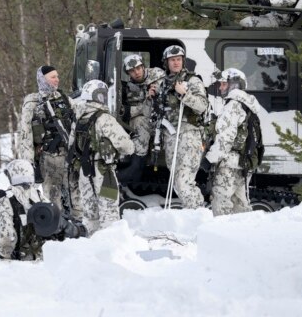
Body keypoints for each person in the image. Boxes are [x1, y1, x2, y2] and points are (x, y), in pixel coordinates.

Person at [18, 65, 82, 220]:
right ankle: (57, 230)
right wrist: (28, 163)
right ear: (43, 79)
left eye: (57, 76)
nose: (57, 80)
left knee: (76, 194)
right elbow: (25, 135)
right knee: (52, 197)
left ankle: (80, 228)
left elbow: (81, 115)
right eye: (53, 77)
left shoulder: (65, 98)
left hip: (70, 157)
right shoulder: (32, 103)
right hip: (48, 158)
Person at [70, 80, 134, 235]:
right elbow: (127, 146)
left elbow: (71, 146)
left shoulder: (78, 118)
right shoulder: (104, 118)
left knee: (90, 214)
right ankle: (111, 248)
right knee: (109, 211)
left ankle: (93, 248)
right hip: (105, 175)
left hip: (84, 174)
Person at [149, 45, 208, 209]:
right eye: (172, 60)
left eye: (178, 60)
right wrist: (153, 98)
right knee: (177, 182)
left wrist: (184, 94)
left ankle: (198, 213)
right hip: (170, 137)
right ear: (166, 62)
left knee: (184, 182)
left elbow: (202, 106)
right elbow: (160, 113)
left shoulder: (192, 81)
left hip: (189, 135)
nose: (176, 63)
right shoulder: (163, 83)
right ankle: (194, 212)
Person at [0, 159, 87, 260]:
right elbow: (55, 220)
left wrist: (3, 254)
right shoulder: (37, 195)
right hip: (44, 257)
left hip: (19, 260)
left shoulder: (6, 199)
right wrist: (76, 230)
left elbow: (6, 237)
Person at [205, 68, 262, 216]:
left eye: (224, 84)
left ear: (234, 85)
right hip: (243, 162)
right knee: (240, 204)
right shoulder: (248, 105)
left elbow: (225, 138)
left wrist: (210, 159)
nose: (220, 87)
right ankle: (244, 234)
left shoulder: (232, 106)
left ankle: (220, 235)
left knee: (221, 202)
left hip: (229, 163)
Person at [118, 54, 165, 182]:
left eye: (138, 68)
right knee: (139, 121)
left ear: (143, 66)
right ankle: (136, 166)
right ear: (128, 73)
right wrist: (145, 102)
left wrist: (158, 93)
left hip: (163, 120)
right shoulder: (128, 89)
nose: (137, 73)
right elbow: (125, 113)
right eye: (132, 71)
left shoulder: (158, 75)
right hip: (143, 124)